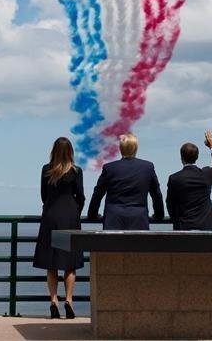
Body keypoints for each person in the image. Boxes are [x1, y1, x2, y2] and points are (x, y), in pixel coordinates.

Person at [33, 137, 85, 320]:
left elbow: (43, 195)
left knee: (51, 262)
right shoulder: (76, 171)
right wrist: (75, 210)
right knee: (70, 263)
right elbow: (81, 196)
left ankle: (53, 300)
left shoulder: (46, 170)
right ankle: (69, 300)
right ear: (70, 151)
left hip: (50, 216)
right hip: (69, 216)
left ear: (53, 151)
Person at [86, 133, 164, 229]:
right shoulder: (147, 167)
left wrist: (92, 215)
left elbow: (97, 194)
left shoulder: (109, 168)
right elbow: (156, 194)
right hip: (139, 220)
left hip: (113, 220)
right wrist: (159, 215)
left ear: (121, 148)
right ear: (136, 148)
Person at [166, 129, 212, 230]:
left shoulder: (174, 178)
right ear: (197, 157)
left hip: (184, 227)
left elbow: (170, 203)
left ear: (181, 158)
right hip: (207, 227)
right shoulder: (206, 174)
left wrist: (176, 220)